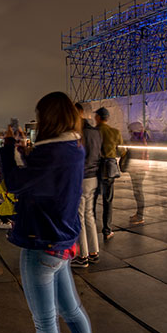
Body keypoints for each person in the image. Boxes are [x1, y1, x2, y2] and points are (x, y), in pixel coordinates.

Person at [0, 91, 101, 333]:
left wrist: (7, 148)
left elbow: (15, 183)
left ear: (48, 118)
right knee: (71, 308)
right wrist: (27, 151)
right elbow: (47, 177)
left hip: (41, 242)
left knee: (44, 319)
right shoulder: (73, 147)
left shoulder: (51, 153)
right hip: (62, 240)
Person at [72, 103, 102, 269]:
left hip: (81, 177)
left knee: (79, 217)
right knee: (89, 214)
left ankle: (82, 256)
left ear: (79, 113)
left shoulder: (79, 133)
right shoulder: (96, 132)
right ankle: (94, 251)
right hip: (93, 177)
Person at [94, 107, 125, 240]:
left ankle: (91, 229)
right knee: (108, 200)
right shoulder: (115, 132)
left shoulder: (94, 132)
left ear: (98, 117)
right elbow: (122, 151)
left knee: (92, 200)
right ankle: (107, 230)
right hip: (109, 168)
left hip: (95, 168)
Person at [126, 122, 149, 225]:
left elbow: (134, 155)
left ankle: (140, 216)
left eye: (131, 131)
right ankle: (139, 214)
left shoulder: (137, 141)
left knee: (138, 193)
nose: (130, 133)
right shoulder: (141, 140)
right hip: (139, 169)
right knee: (137, 192)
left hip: (137, 170)